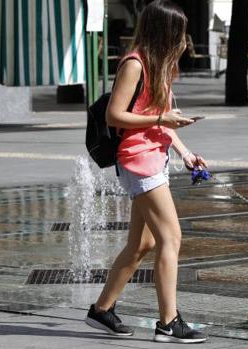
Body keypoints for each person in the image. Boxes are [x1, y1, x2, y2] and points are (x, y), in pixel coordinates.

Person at [84, 0, 209, 344]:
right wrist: (160, 119)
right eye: (180, 31)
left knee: (142, 243)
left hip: (155, 158)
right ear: (164, 31)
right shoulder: (134, 64)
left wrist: (185, 153)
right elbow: (114, 115)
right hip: (137, 161)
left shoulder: (160, 66)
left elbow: (163, 120)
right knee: (171, 238)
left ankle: (101, 309)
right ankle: (169, 322)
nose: (184, 38)